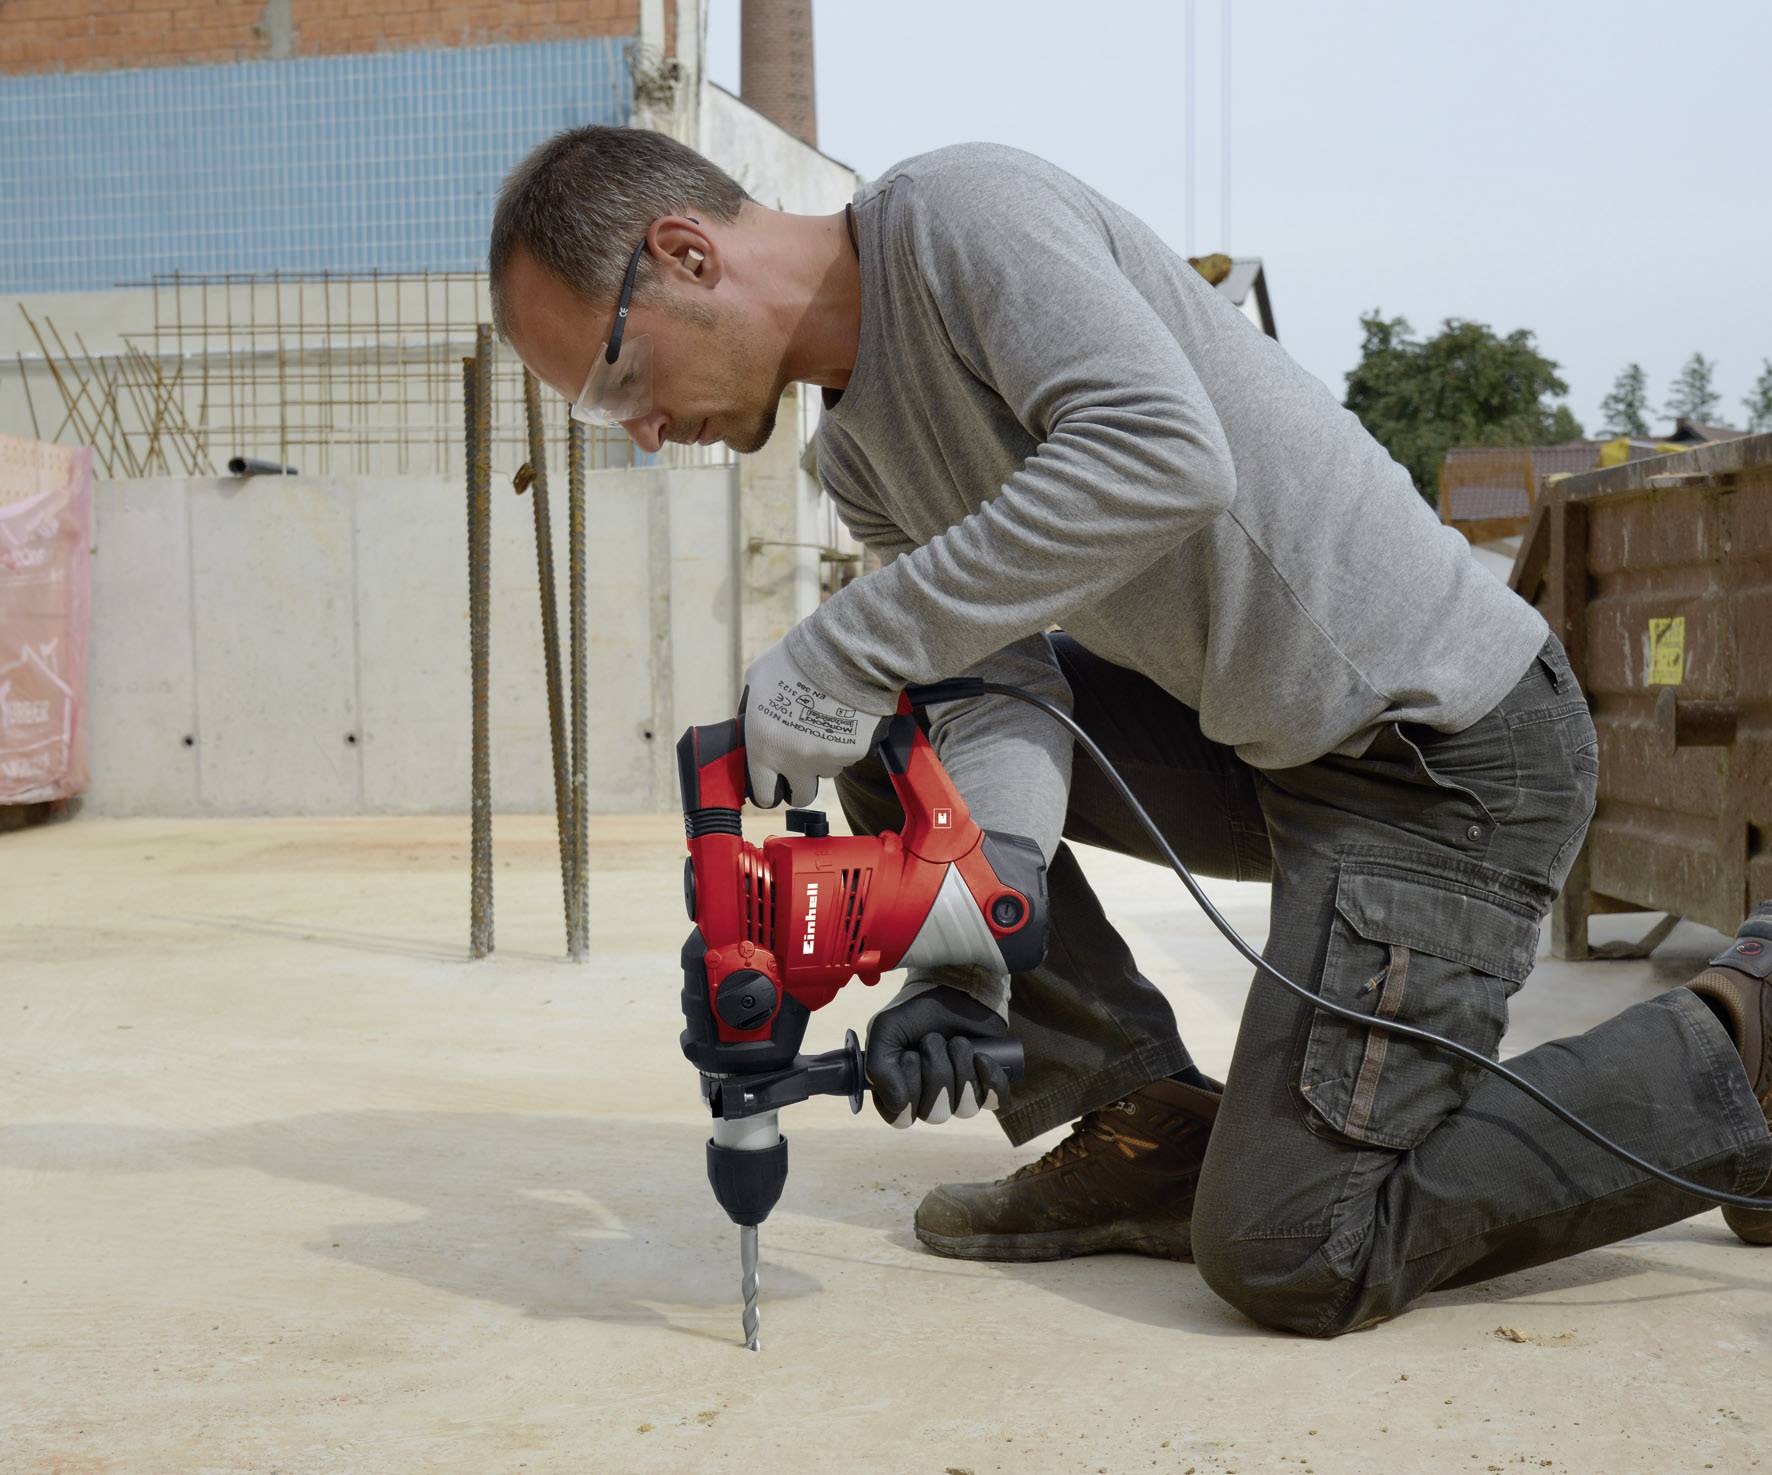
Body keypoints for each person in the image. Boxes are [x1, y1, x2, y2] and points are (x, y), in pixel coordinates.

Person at [487, 126, 1772, 1336]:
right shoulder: (862, 463)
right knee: (903, 725)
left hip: (1443, 757)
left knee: (1294, 1245)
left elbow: (1163, 455)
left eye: (619, 382)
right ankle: (1138, 1118)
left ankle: (1743, 1037)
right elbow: (997, 703)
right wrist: (953, 959)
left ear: (684, 255)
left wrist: (848, 637)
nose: (646, 434)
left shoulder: (959, 217)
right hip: (1269, 752)